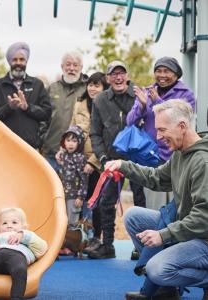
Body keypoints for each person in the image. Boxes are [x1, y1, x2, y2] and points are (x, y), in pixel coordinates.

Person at [106, 99, 208, 300]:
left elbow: (204, 217)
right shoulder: (181, 153)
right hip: (190, 230)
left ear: (182, 126)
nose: (158, 136)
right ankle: (167, 290)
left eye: (162, 130)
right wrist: (122, 165)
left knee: (157, 269)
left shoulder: (203, 162)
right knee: (133, 216)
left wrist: (164, 234)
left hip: (205, 238)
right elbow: (157, 179)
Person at [86, 60, 145, 259]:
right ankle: (108, 245)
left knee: (139, 204)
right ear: (108, 78)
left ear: (127, 76)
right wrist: (102, 157)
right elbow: (95, 132)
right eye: (114, 74)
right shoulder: (100, 100)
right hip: (111, 160)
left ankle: (141, 247)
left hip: (136, 159)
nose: (118, 77)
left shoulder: (139, 95)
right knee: (106, 202)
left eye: (122, 73)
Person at [127, 56, 195, 211]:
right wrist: (142, 106)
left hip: (176, 155)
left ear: (176, 74)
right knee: (153, 205)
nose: (162, 75)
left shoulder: (186, 94)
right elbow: (130, 122)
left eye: (167, 71)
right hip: (152, 156)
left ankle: (175, 233)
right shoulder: (146, 92)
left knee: (178, 204)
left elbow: (181, 119)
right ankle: (156, 233)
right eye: (158, 71)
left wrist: (157, 101)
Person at [70, 72, 109, 252]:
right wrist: (65, 150)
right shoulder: (79, 104)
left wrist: (92, 163)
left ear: (104, 88)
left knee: (96, 203)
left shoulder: (107, 105)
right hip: (78, 161)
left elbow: (106, 138)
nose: (92, 88)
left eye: (97, 85)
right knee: (77, 200)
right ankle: (74, 239)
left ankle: (95, 237)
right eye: (90, 85)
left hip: (98, 162)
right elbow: (71, 128)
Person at [0, 42, 51, 150]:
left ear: (26, 61)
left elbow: (47, 113)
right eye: (14, 59)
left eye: (22, 59)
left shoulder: (37, 84)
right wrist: (8, 107)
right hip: (4, 146)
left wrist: (28, 108)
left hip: (30, 148)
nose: (18, 63)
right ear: (9, 61)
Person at [41, 51, 88, 172]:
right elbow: (43, 117)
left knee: (73, 190)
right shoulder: (52, 88)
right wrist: (42, 140)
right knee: (51, 190)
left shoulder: (87, 89)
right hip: (51, 151)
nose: (71, 68)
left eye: (75, 65)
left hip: (77, 155)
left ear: (81, 67)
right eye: (68, 64)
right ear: (62, 67)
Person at [56, 125, 88, 229]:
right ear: (64, 142)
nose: (70, 143)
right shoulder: (63, 155)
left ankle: (73, 242)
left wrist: (80, 197)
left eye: (74, 141)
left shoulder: (80, 158)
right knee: (62, 220)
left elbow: (84, 179)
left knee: (72, 222)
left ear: (79, 142)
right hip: (63, 194)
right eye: (68, 140)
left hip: (74, 196)